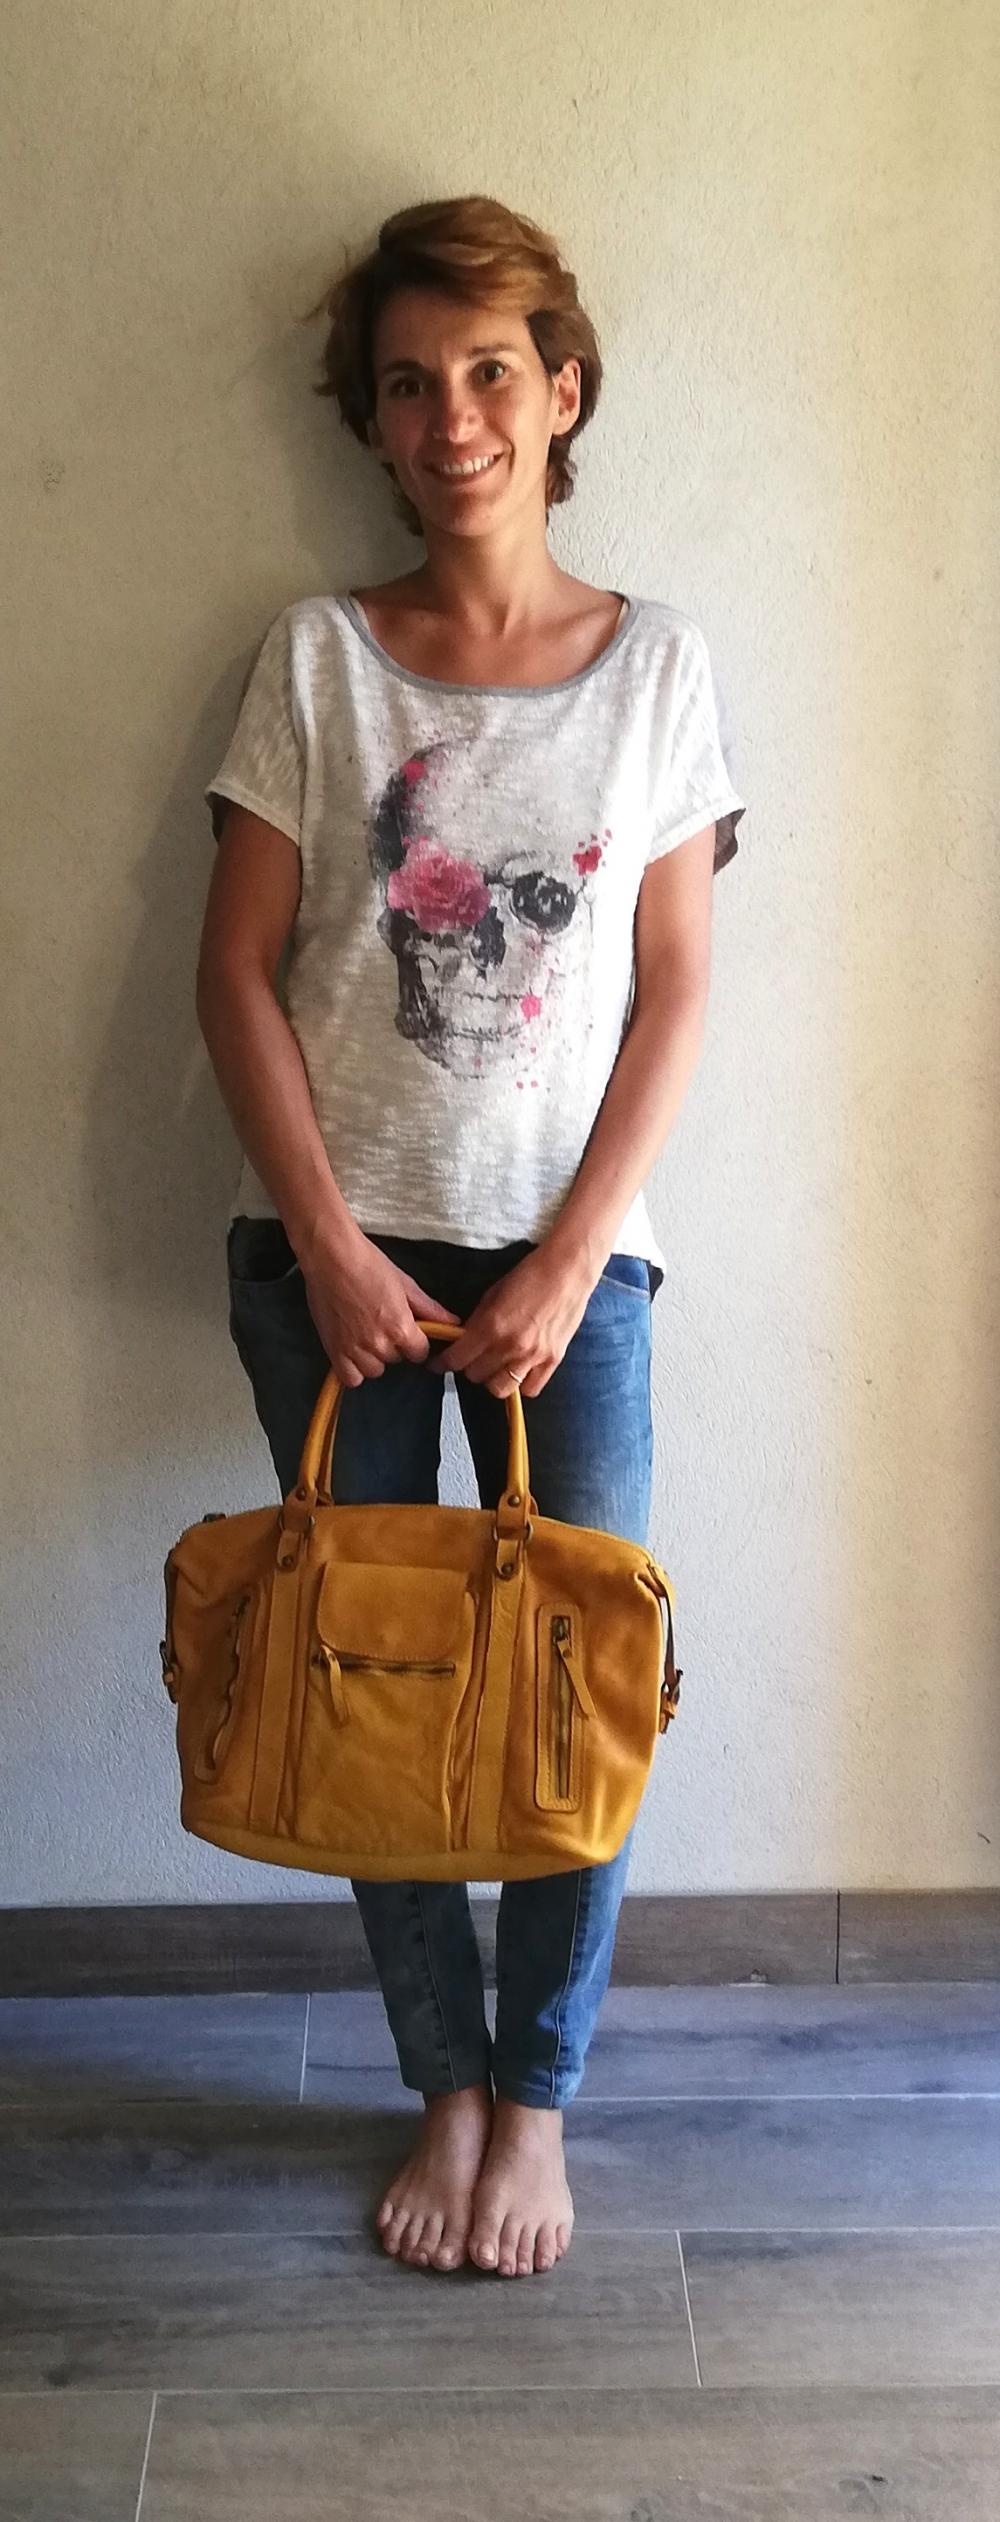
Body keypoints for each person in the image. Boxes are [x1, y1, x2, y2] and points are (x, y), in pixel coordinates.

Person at [196, 193, 745, 2284]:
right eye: (410, 384)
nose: (454, 420)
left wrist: (567, 1266)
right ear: (370, 419)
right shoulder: (312, 661)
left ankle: (539, 2099)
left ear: (562, 390)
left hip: (570, 1274)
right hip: (338, 1270)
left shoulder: (659, 667)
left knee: (578, 1689)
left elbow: (676, 993)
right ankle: (440, 2078)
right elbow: (234, 976)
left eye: (491, 373)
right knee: (369, 1682)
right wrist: (333, 1250)